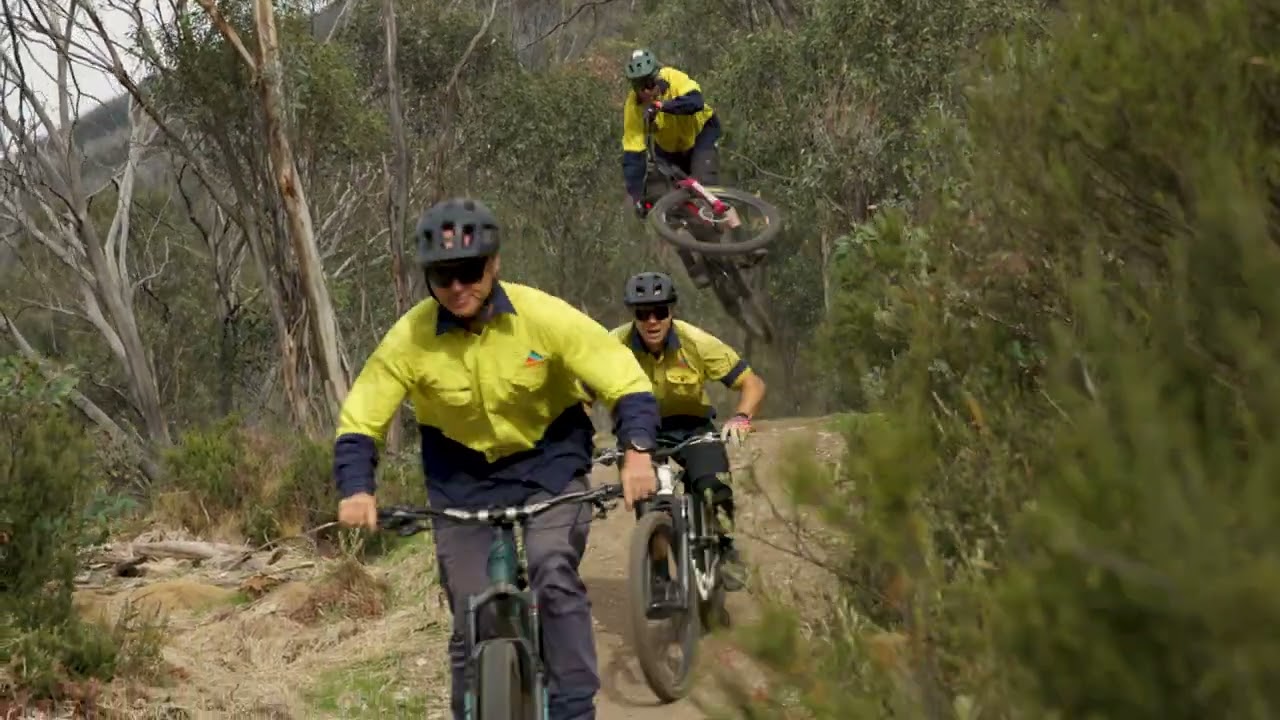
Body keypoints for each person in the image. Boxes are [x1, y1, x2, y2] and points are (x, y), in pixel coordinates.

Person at [332, 197, 661, 720]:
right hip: (459, 474)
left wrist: (638, 453)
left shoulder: (542, 315)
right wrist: (356, 488)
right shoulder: (409, 338)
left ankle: (575, 709)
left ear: (494, 265)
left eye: (468, 272)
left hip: (549, 460)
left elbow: (624, 380)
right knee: (468, 605)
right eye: (443, 277)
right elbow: (361, 418)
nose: (457, 288)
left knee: (553, 572)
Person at [610, 270, 767, 594]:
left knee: (714, 485)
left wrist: (741, 417)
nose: (652, 321)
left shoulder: (697, 342)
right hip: (640, 434)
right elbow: (582, 392)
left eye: (660, 312)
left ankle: (724, 548)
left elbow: (752, 383)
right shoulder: (613, 345)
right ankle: (658, 573)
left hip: (693, 427)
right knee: (649, 503)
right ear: (633, 315)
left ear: (672, 312)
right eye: (643, 313)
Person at [620, 48, 721, 288]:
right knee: (665, 205)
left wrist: (662, 106)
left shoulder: (674, 77)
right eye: (639, 87)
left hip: (700, 134)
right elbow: (633, 153)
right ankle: (693, 263)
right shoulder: (634, 108)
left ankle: (739, 239)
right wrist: (636, 196)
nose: (646, 91)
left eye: (649, 83)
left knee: (707, 189)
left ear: (658, 77)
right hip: (669, 151)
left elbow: (695, 102)